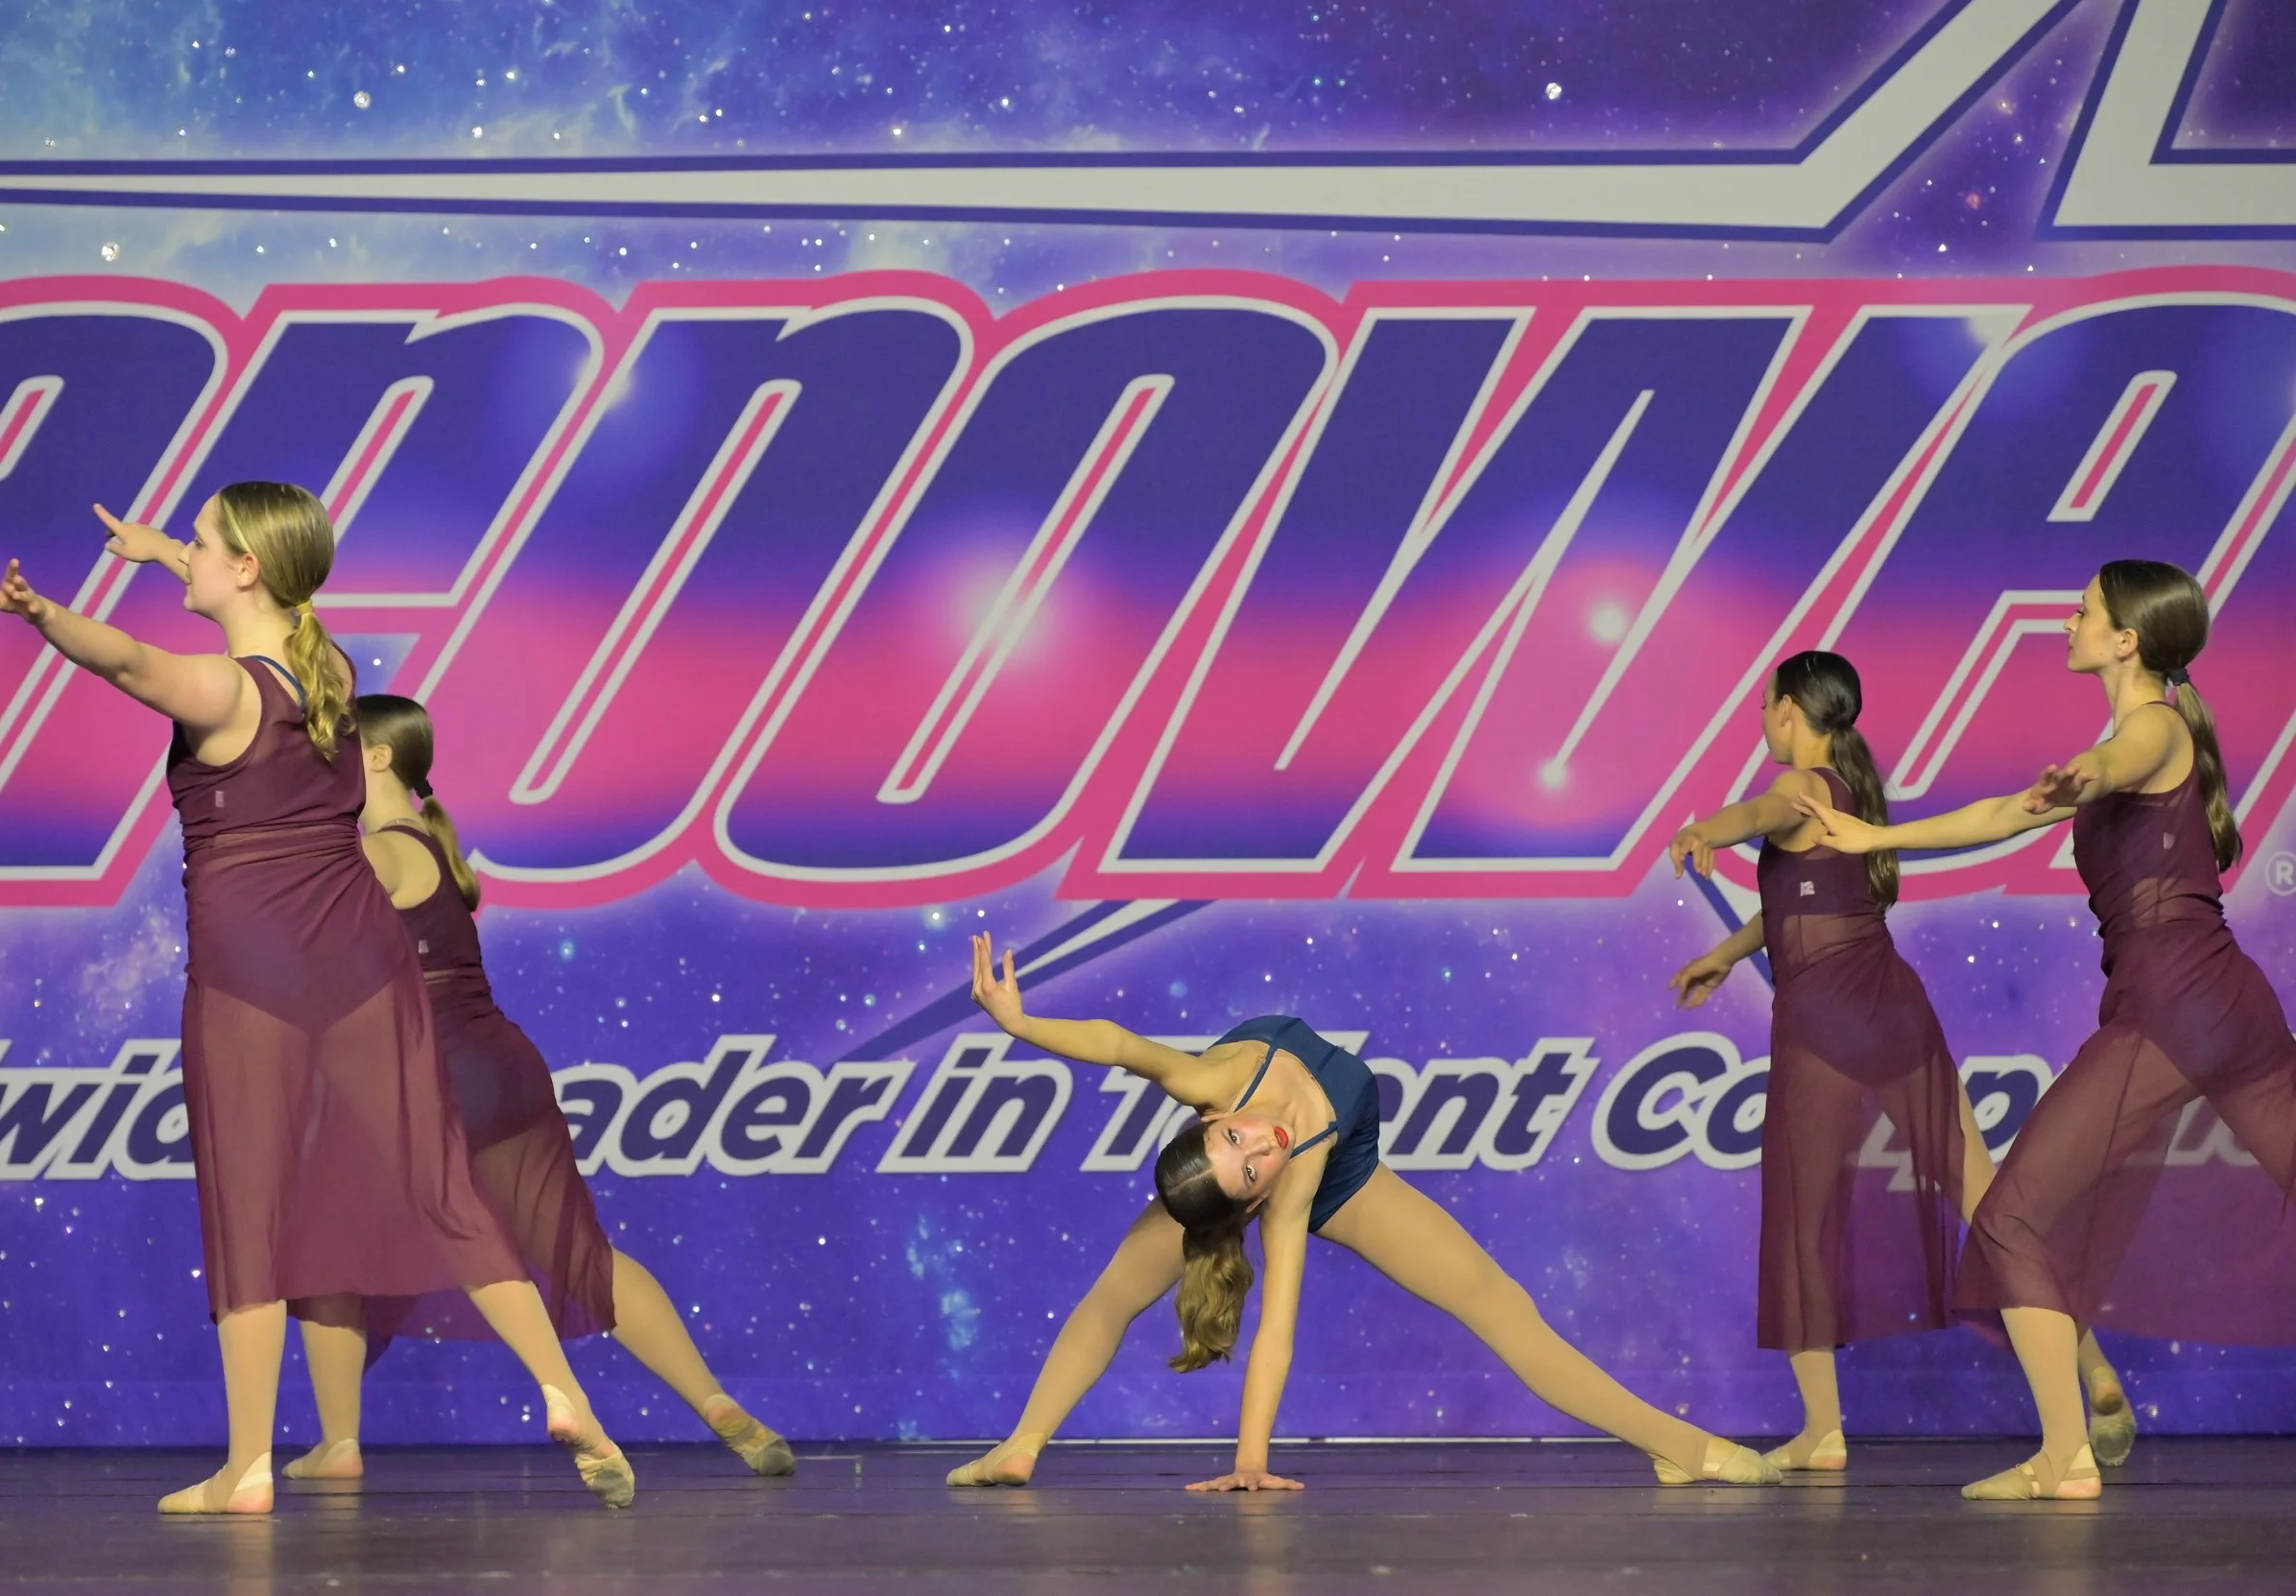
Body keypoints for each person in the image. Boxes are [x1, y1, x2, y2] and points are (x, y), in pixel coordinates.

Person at [0, 487, 632, 1513]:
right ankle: (562, 1390)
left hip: (255, 976)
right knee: (440, 1186)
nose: (188, 552)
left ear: (246, 568)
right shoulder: (327, 673)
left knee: (252, 1204)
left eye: (201, 541)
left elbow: (127, 662)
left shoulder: (222, 690)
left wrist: (44, 615)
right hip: (364, 965)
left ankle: (245, 1468)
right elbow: (256, 610)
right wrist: (161, 552)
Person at [1799, 560, 2296, 1500]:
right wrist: (1873, 840)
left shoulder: (2152, 727)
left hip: (2175, 1011)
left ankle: (2065, 1457)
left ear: (2126, 640)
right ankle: (2064, 1454)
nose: (2068, 621)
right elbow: (2002, 814)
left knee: (2012, 1217)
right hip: (2227, 1004)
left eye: (2083, 610)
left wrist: (2090, 770)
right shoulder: (2134, 735)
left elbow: (2125, 757)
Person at [943, 934, 1781, 1491]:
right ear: (1255, 1198)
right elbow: (1276, 1328)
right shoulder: (1289, 1186)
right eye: (1250, 1171)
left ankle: (1674, 1443)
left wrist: (1020, 1022)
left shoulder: (1207, 1079)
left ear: (1210, 1118)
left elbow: (1119, 1044)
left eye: (1236, 1139)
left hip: (1344, 1164)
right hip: (1339, 1177)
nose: (1261, 1143)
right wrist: (1250, 1458)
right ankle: (1021, 1446)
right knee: (1114, 1294)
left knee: (1500, 1304)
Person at [278, 694, 795, 1483]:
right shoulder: (429, 845)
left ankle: (343, 1443)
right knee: (579, 1252)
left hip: (430, 1073)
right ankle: (714, 1399)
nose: (320, 761)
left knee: (327, 1250)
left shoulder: (381, 850)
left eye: (332, 747)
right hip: (498, 1068)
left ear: (377, 758)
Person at [1665, 651, 2132, 1473]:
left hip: (1822, 1025)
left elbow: (1760, 811)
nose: (1762, 718)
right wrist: (1730, 953)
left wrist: (1708, 829)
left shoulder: (1802, 786)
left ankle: (1822, 1431)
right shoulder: (1854, 790)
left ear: (1788, 709)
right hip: (1891, 1005)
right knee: (1989, 1199)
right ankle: (2092, 1363)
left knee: (1803, 1220)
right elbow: (1802, 897)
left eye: (1765, 705)